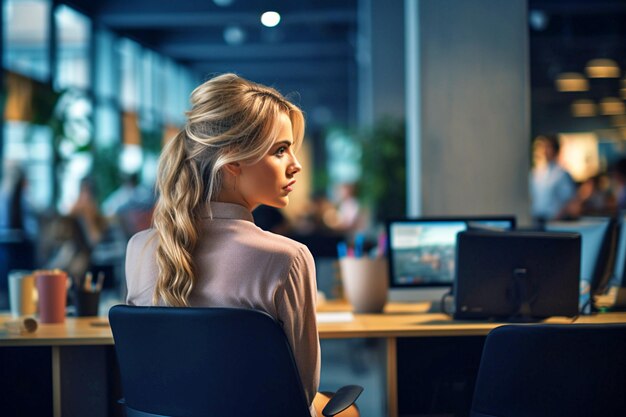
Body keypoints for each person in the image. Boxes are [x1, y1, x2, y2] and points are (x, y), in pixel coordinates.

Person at [124, 74, 357, 417]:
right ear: (233, 158)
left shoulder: (138, 248)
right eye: (280, 150)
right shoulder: (288, 258)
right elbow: (302, 392)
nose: (296, 164)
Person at [529, 134, 576, 226]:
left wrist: (558, 217)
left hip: (554, 221)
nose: (545, 151)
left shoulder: (562, 174)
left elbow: (568, 200)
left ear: (556, 149)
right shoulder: (537, 173)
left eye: (548, 147)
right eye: (543, 147)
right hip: (536, 220)